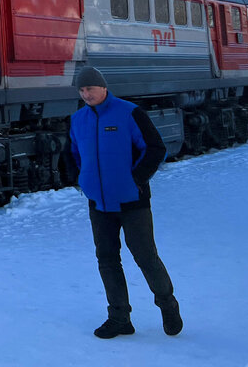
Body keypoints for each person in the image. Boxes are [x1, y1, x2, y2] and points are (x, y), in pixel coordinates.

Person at [69, 66, 183, 339]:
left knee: (145, 257)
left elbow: (155, 148)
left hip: (132, 201)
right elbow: (71, 153)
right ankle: (119, 317)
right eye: (82, 90)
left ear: (103, 87)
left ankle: (167, 304)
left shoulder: (129, 113)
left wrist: (136, 181)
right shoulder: (77, 120)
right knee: (107, 260)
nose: (86, 94)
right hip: (98, 204)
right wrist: (81, 180)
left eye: (90, 89)